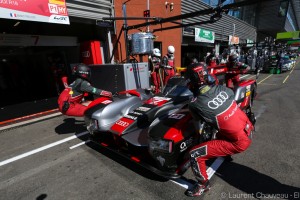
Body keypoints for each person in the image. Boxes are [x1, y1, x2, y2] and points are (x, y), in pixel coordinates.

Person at [184, 63, 254, 197]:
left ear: (192, 82)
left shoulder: (195, 104)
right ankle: (226, 154)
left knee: (195, 154)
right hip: (248, 127)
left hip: (239, 142)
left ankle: (202, 185)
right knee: (220, 128)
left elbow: (198, 126)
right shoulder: (222, 89)